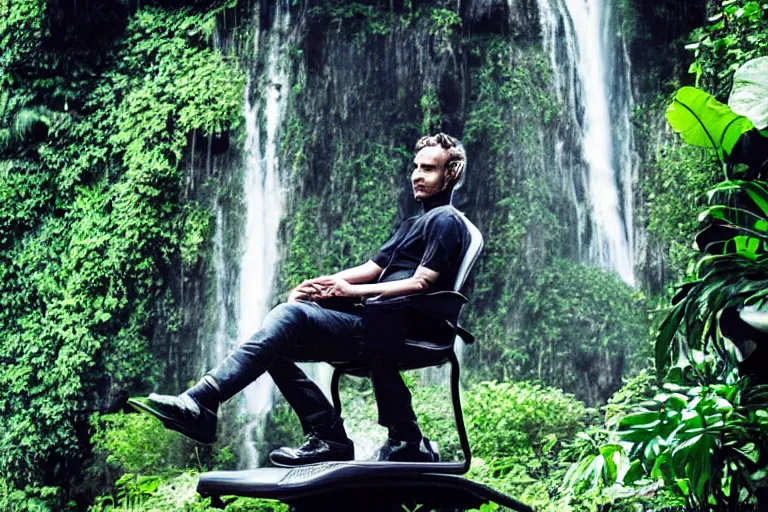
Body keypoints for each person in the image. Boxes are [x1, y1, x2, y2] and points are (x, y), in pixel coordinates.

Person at [129, 133, 471, 466]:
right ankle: (327, 436)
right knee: (278, 335)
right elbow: (371, 269)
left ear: (450, 174)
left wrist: (352, 294)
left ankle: (203, 402)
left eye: (428, 168)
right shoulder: (416, 222)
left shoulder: (446, 221)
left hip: (397, 329)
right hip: (376, 322)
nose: (417, 175)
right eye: (415, 167)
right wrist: (320, 286)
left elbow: (422, 283)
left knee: (288, 320)